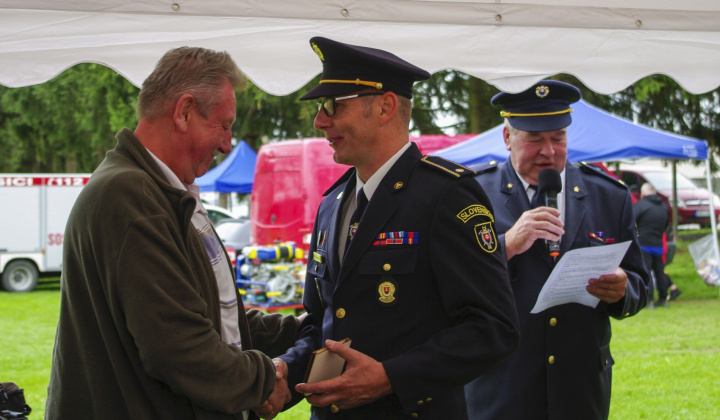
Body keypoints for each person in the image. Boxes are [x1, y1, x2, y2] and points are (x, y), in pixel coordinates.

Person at [269, 37, 520, 420]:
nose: (320, 120)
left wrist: (390, 377)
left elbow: (493, 327)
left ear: (385, 106)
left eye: (334, 106)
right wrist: (288, 370)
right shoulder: (332, 203)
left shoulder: (446, 196)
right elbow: (323, 321)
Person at [46, 47, 300, 420]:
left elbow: (207, 314)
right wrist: (266, 379)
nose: (227, 143)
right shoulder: (133, 197)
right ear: (183, 112)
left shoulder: (161, 192)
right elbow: (178, 348)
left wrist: (298, 330)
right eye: (224, 124)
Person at [465, 80, 651, 420]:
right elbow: (448, 282)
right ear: (507, 138)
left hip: (579, 387)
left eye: (558, 138)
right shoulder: (472, 194)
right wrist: (505, 245)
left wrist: (623, 288)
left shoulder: (608, 195)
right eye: (534, 139)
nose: (548, 151)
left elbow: (641, 283)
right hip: (500, 384)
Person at [634, 182, 672, 307]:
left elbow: (631, 221)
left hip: (644, 244)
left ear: (643, 193)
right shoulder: (664, 206)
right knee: (660, 272)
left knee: (646, 271)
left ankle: (648, 300)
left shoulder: (640, 205)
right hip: (658, 244)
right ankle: (663, 298)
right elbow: (667, 225)